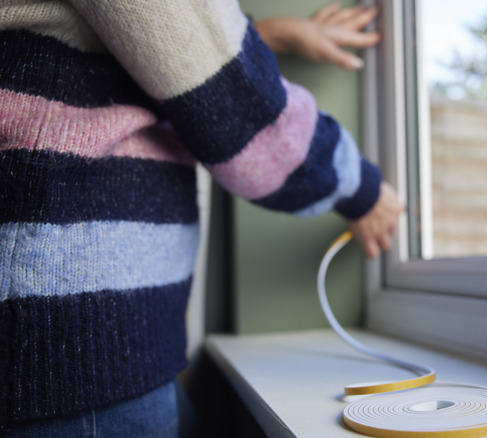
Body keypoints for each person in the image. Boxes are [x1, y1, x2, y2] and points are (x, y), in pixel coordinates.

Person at [0, 1, 402, 436]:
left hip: (68, 350)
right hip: (69, 353)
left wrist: (267, 34)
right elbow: (235, 104)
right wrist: (363, 188)